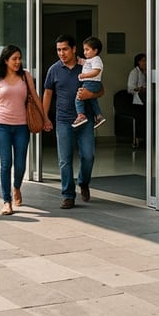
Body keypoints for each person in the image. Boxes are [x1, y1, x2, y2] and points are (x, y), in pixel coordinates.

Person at [0, 44, 51, 215]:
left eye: (19, 58)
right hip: (1, 126)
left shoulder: (25, 76)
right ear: (6, 60)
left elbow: (36, 98)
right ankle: (6, 201)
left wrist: (45, 118)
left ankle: (16, 186)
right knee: (5, 163)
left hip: (22, 127)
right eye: (14, 59)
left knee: (19, 164)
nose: (18, 62)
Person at [44, 34, 103, 209]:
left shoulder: (87, 65)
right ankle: (68, 195)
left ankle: (83, 182)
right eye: (58, 50)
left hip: (85, 120)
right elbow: (47, 93)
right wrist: (44, 117)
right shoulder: (54, 69)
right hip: (63, 120)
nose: (61, 53)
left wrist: (90, 95)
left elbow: (101, 90)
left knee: (88, 156)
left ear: (74, 49)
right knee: (65, 160)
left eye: (65, 49)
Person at [72, 36, 106, 129]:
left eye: (87, 49)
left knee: (79, 97)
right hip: (92, 83)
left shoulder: (96, 59)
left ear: (95, 51)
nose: (85, 52)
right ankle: (99, 116)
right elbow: (85, 63)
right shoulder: (90, 60)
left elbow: (96, 71)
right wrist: (79, 60)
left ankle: (81, 115)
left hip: (91, 82)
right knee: (93, 100)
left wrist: (84, 75)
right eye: (84, 50)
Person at [125, 53, 147, 149]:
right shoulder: (135, 72)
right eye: (143, 60)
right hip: (138, 101)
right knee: (141, 120)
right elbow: (130, 88)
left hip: (148, 99)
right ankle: (138, 140)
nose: (145, 63)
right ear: (138, 62)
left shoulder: (147, 72)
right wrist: (140, 89)